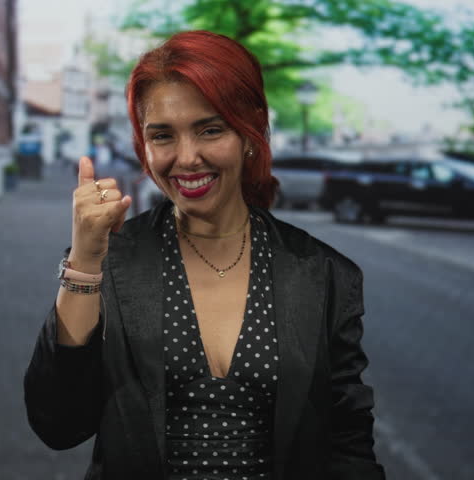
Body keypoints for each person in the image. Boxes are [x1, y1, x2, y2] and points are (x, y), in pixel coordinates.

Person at [24, 30, 385, 479]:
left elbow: (348, 443)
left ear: (249, 131)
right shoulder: (111, 264)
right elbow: (58, 424)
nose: (187, 158)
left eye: (210, 129)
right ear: (144, 145)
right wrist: (84, 263)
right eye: (163, 136)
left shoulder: (325, 275)